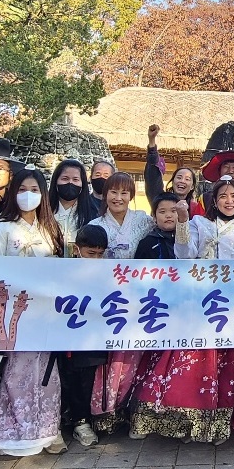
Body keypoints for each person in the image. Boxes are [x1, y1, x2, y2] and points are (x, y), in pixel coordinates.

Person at [135, 176, 234, 445]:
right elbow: (184, 254)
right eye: (222, 196)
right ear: (213, 200)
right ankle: (181, 420)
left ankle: (215, 425)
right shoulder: (199, 223)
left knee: (224, 364)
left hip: (232, 306)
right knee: (188, 362)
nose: (229, 201)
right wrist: (182, 221)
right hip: (199, 301)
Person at [0, 165, 67, 456]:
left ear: (43, 195)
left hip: (44, 312)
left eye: (34, 190)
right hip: (11, 311)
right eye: (22, 190)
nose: (28, 195)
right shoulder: (1, 229)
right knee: (12, 372)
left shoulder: (52, 229)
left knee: (44, 371)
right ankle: (7, 431)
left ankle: (46, 429)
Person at [87, 172, 155, 434]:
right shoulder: (95, 224)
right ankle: (105, 413)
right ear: (105, 195)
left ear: (131, 196)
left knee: (133, 355)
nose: (118, 198)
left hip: (137, 299)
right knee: (108, 359)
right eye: (113, 192)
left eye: (124, 193)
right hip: (105, 300)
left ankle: (130, 410)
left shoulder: (143, 221)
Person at [57, 225, 109, 447]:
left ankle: (82, 421)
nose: (95, 259)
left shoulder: (109, 272)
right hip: (66, 335)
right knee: (65, 378)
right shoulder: (63, 270)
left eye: (100, 254)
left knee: (86, 378)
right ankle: (62, 420)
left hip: (92, 337)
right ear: (77, 249)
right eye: (90, 253)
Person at [144, 124, 205, 218]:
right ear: (172, 182)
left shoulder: (195, 208)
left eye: (187, 179)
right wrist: (152, 141)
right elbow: (152, 179)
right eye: (179, 177)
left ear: (192, 186)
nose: (182, 181)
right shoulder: (161, 200)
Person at [49, 159, 99, 258]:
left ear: (82, 184)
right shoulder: (44, 211)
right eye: (65, 178)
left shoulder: (92, 213)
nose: (70, 183)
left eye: (75, 179)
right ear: (55, 181)